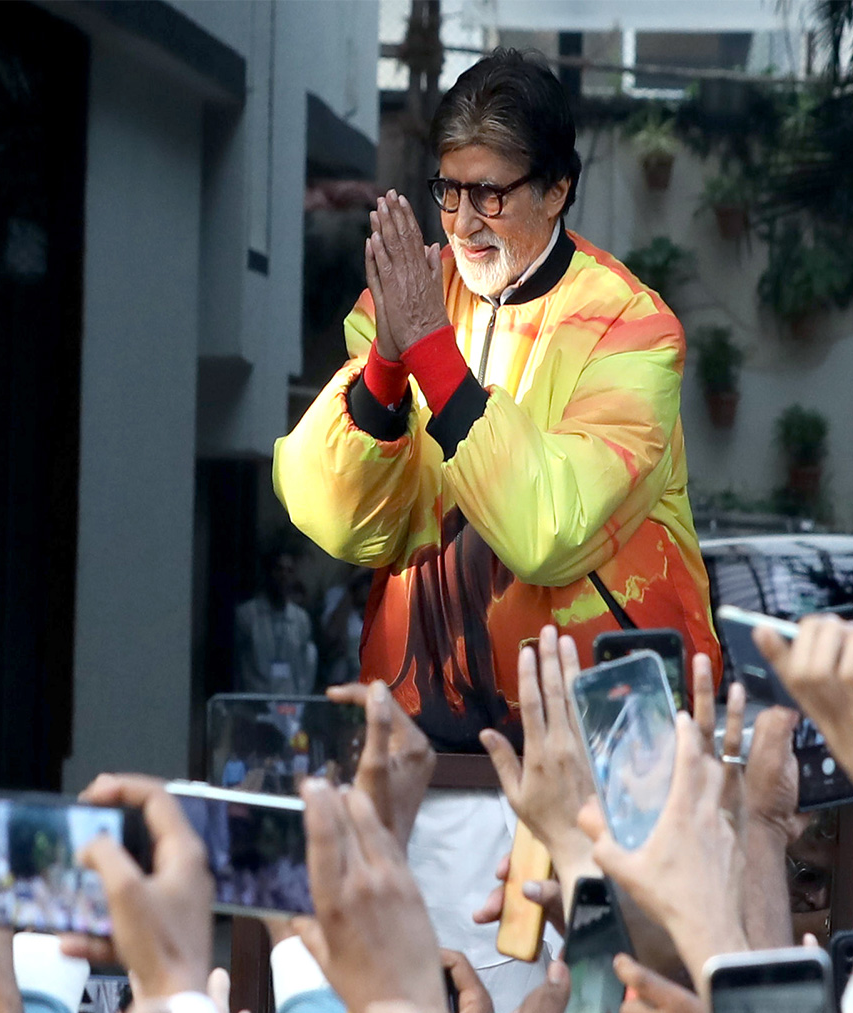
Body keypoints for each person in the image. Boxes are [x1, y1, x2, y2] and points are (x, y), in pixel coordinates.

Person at [273, 48, 720, 751]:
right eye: (448, 191)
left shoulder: (634, 330)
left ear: (556, 189)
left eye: (490, 194)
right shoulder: (408, 298)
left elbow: (549, 533)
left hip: (599, 750)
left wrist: (430, 352)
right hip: (419, 741)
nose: (463, 223)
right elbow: (334, 522)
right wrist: (388, 366)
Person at [234, 550, 317, 695]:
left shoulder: (301, 618)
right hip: (255, 698)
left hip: (290, 699)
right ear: (268, 573)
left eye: (289, 571)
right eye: (279, 570)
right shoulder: (246, 614)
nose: (284, 576)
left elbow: (306, 664)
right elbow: (237, 664)